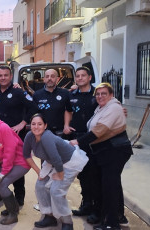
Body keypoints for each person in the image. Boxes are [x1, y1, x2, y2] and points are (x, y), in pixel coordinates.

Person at [70, 83, 133, 230]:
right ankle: (117, 217)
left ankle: (111, 224)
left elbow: (99, 130)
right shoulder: (102, 108)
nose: (100, 96)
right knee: (113, 185)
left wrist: (78, 141)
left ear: (111, 95)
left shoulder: (114, 108)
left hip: (114, 150)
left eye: (104, 93)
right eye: (97, 94)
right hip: (105, 151)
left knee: (109, 187)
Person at [23, 113, 88, 230]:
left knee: (56, 190)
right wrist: (39, 172)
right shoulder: (29, 136)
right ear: (30, 125)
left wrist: (60, 175)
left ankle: (67, 222)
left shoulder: (46, 137)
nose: (36, 127)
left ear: (45, 125)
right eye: (33, 124)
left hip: (69, 161)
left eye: (39, 124)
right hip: (52, 162)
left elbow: (57, 159)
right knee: (40, 185)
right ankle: (49, 216)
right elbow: (26, 155)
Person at [0, 65, 38, 205]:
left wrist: (23, 123)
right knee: (0, 162)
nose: (3, 78)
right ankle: (1, 191)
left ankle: (19, 195)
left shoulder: (18, 92)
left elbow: (34, 107)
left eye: (6, 75)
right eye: (0, 75)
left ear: (10, 77)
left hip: (15, 136)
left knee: (16, 164)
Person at [0, 107, 30, 225]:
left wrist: (4, 172)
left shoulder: (3, 128)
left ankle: (13, 215)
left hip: (20, 162)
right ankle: (14, 207)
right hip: (6, 162)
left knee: (1, 185)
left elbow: (10, 151)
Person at [66, 67, 100, 222]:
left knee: (94, 175)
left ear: (89, 77)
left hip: (94, 140)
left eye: (83, 76)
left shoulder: (98, 94)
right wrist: (67, 125)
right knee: (83, 174)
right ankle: (86, 205)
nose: (80, 78)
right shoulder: (71, 94)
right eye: (77, 76)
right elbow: (68, 110)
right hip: (77, 139)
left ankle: (96, 209)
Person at [33, 69, 73, 136]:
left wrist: (66, 126)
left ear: (57, 79)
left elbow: (69, 110)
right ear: (44, 79)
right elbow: (34, 113)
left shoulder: (65, 93)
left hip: (61, 132)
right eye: (47, 76)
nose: (49, 78)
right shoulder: (37, 95)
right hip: (43, 132)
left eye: (52, 76)